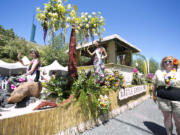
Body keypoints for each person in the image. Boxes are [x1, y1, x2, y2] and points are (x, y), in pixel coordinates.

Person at [152, 56, 180, 135]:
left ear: (174, 62)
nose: (167, 63)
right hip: (163, 99)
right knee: (167, 118)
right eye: (165, 61)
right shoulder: (159, 72)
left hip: (178, 99)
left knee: (178, 120)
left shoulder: (178, 71)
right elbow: (154, 84)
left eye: (170, 61)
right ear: (163, 63)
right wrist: (153, 95)